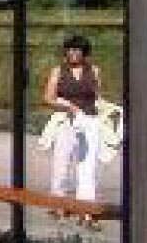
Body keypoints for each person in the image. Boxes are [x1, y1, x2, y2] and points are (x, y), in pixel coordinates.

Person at [42, 34, 103, 221]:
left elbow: (97, 97)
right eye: (70, 50)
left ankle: (86, 209)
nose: (73, 53)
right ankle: (58, 205)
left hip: (89, 120)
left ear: (84, 52)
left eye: (77, 50)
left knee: (87, 166)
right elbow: (48, 98)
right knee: (61, 163)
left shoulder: (94, 71)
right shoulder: (58, 71)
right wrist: (66, 106)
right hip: (65, 120)